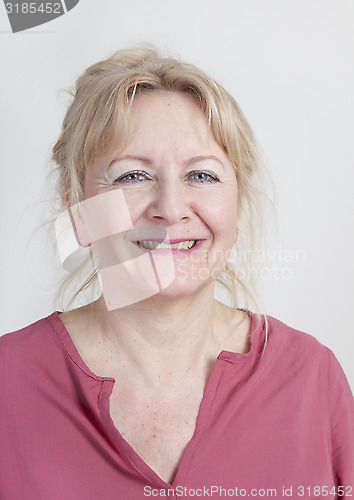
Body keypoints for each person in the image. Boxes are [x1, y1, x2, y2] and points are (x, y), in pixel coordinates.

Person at [1, 47, 353, 500]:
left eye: (202, 176)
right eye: (131, 176)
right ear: (79, 208)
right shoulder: (9, 382)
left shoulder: (312, 379)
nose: (169, 209)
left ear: (237, 202)